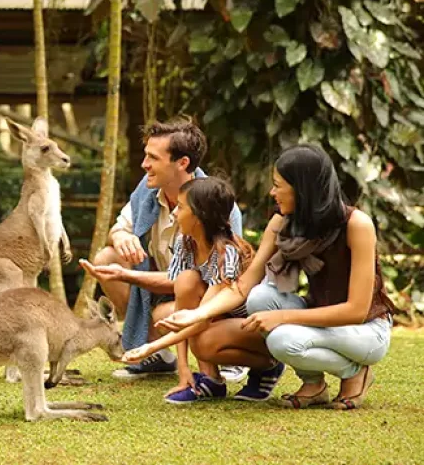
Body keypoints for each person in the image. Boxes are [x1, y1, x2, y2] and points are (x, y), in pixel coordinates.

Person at [159, 144, 395, 409]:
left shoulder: (356, 224)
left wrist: (282, 317)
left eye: (278, 185)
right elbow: (244, 285)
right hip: (322, 317)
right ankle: (314, 384)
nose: (272, 192)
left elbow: (356, 310)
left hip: (365, 330)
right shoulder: (283, 222)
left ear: (303, 189)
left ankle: (355, 372)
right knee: (260, 297)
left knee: (282, 340)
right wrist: (197, 315)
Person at [80, 119, 245, 381]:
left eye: (153, 158)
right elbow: (120, 228)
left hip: (209, 294)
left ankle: (224, 353)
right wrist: (123, 236)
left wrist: (126, 275)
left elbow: (219, 281)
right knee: (108, 257)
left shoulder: (215, 202)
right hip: (167, 283)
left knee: (172, 304)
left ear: (183, 163)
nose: (144, 165)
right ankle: (158, 356)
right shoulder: (147, 192)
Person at [116, 177, 280, 403]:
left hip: (255, 326)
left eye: (181, 208)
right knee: (184, 282)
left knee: (203, 341)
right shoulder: (187, 242)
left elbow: (200, 319)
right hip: (219, 320)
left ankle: (269, 365)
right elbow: (183, 298)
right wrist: (183, 371)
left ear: (200, 215)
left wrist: (150, 347)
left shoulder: (226, 253)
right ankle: (209, 380)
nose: (174, 214)